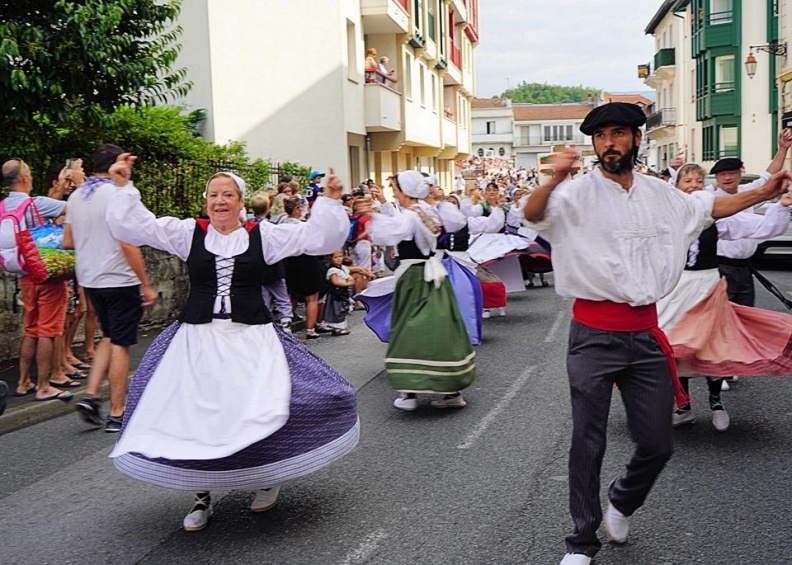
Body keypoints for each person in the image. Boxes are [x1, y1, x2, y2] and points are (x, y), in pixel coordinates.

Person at [522, 102, 792, 565]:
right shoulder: (573, 194)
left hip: (647, 333)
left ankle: (623, 498)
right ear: (594, 144)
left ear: (636, 138)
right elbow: (533, 214)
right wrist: (552, 180)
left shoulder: (661, 194)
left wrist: (765, 191)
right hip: (592, 334)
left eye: (618, 133)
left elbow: (710, 207)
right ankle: (581, 541)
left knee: (658, 443)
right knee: (588, 440)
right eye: (601, 135)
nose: (609, 143)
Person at [104, 158, 359, 532]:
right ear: (205, 201)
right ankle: (201, 495)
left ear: (241, 202)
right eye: (213, 195)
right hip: (197, 339)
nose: (219, 201)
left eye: (227, 195)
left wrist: (331, 201)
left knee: (258, 407)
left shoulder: (264, 235)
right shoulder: (188, 232)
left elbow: (317, 239)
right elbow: (136, 227)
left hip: (251, 337)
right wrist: (123, 188)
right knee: (194, 415)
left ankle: (266, 475)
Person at [657, 163, 792, 431]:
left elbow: (759, 227)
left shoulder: (716, 216)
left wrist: (782, 206)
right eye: (687, 181)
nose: (694, 186)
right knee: (675, 348)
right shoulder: (666, 217)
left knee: (712, 345)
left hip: (707, 286)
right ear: (677, 187)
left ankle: (716, 402)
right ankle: (683, 406)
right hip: (676, 288)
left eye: (698, 181)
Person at [63, 144, 158, 432]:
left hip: (90, 278)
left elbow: (68, 241)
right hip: (119, 277)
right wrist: (145, 283)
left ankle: (91, 395)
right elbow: (127, 242)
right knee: (121, 343)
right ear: (117, 164)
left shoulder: (77, 196)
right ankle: (117, 412)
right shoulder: (117, 193)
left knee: (109, 335)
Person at [368, 170, 475, 411]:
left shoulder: (411, 215)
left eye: (396, 190)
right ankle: (451, 390)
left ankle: (409, 393)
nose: (394, 194)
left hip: (415, 278)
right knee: (442, 329)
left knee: (408, 330)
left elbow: (387, 233)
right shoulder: (427, 210)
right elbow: (455, 222)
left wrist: (371, 216)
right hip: (434, 275)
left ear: (405, 192)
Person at [1, 158, 73, 402]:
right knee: (48, 331)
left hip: (24, 275)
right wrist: (74, 184)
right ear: (24, 178)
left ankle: (23, 382)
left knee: (31, 330)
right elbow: (76, 209)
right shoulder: (37, 203)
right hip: (46, 274)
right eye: (29, 173)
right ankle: (44, 386)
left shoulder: (2, 207)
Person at [250, 190, 293, 332]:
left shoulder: (248, 227)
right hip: (274, 267)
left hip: (258, 268)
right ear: (268, 208)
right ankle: (286, 325)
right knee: (282, 297)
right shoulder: (271, 228)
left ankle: (266, 326)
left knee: (265, 298)